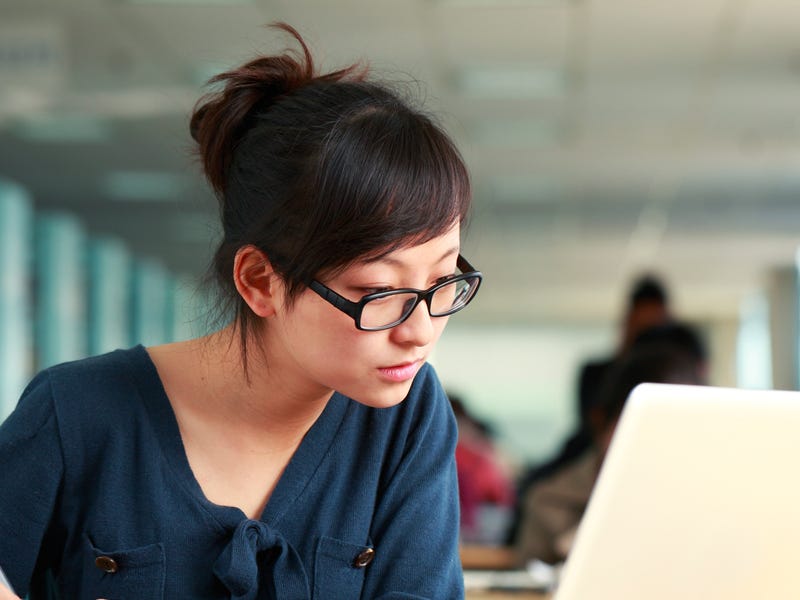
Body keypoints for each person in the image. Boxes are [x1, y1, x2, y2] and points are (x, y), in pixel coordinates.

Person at [0, 23, 483, 599]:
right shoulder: (78, 414)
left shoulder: (404, 418)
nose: (421, 331)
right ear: (261, 283)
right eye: (381, 295)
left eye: (442, 281)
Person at [515, 322, 708, 565]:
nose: (655, 453)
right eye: (642, 430)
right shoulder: (549, 503)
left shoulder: (708, 503)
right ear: (600, 422)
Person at [505, 274, 672, 546]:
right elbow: (586, 421)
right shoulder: (599, 372)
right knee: (538, 488)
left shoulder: (674, 370)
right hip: (589, 445)